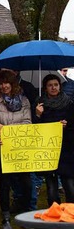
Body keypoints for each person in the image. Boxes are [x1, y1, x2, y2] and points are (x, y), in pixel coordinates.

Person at [0, 69, 32, 229]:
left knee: (26, 181)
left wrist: (9, 131)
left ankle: (26, 213)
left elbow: (27, 122)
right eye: (1, 83)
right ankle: (5, 216)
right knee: (5, 183)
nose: (4, 86)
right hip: (0, 148)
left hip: (20, 147)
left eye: (7, 82)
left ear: (13, 84)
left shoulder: (24, 100)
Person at [35, 74, 73, 206]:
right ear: (45, 88)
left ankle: (70, 216)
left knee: (70, 187)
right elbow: (34, 129)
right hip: (48, 151)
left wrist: (66, 126)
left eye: (56, 85)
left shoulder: (69, 103)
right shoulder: (39, 104)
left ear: (60, 86)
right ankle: (54, 217)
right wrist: (38, 115)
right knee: (51, 190)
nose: (53, 88)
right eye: (50, 85)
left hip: (66, 150)